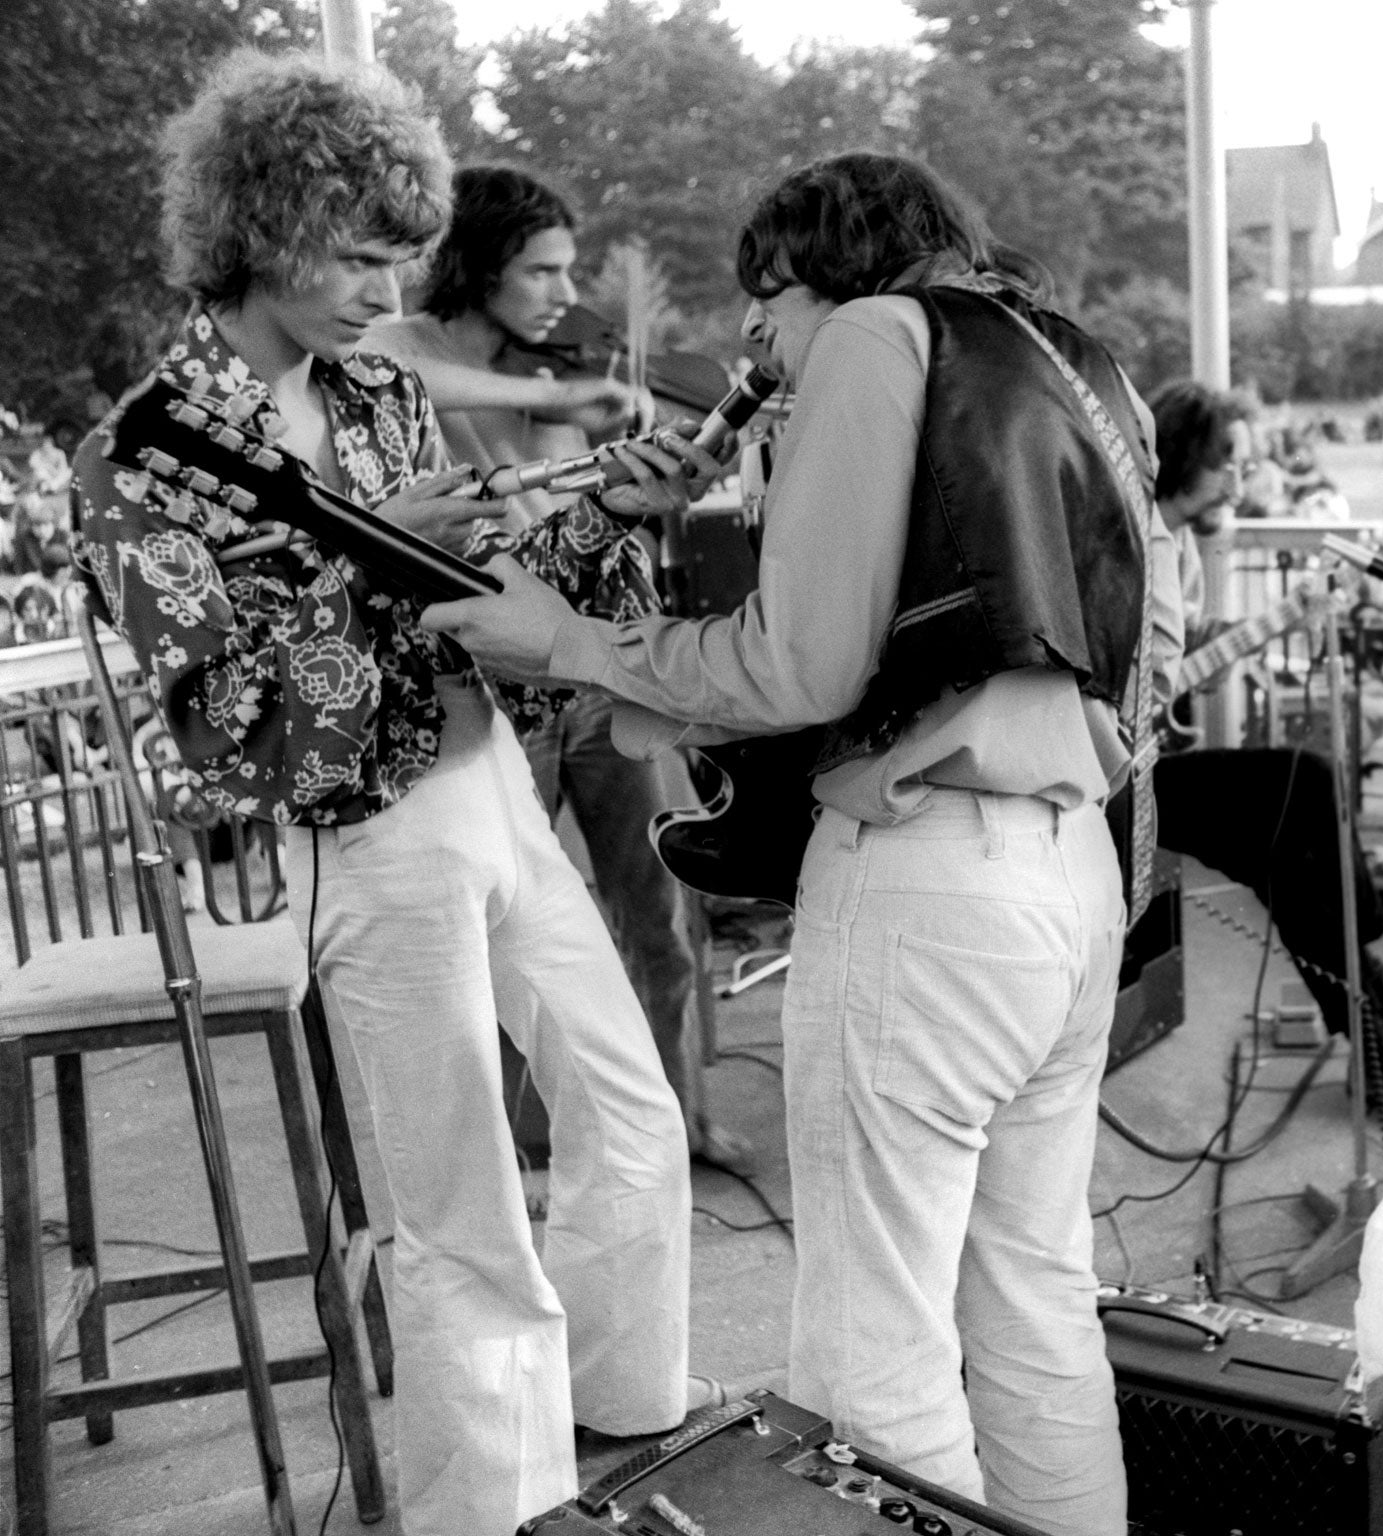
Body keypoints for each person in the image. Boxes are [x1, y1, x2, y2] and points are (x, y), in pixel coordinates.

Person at [425, 152, 1157, 1536]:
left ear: (853, 267)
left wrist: (569, 638)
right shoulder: (1079, 369)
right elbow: (1064, 635)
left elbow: (807, 667)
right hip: (1068, 874)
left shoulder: (883, 336)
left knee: (875, 1356)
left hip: (927, 883)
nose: (752, 336)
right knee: (1035, 1303)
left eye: (769, 293)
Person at [69, 51, 699, 1536]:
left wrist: (601, 513)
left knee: (635, 1118)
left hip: (496, 795)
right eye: (355, 255)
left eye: (397, 259)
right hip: (360, 837)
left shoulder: (377, 393)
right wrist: (365, 556)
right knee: (463, 1215)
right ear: (259, 223)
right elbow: (224, 728)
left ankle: (626, 1438)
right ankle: (497, 1507)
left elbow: (468, 597)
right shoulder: (141, 459)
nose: (378, 289)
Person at [366, 164, 751, 1174]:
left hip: (593, 665)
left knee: (660, 909)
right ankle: (526, 1141)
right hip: (490, 686)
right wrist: (566, 390)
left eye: (568, 273)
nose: (559, 296)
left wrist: (641, 458)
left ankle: (674, 1124)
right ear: (480, 267)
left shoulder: (557, 381)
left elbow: (587, 517)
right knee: (506, 932)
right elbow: (399, 371)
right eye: (539, 272)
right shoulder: (404, 348)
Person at [1141, 381, 1383, 1130]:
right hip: (1109, 774)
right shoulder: (1127, 538)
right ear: (1187, 457)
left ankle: (1377, 1052)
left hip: (1147, 759)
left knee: (1291, 863)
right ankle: (1378, 988)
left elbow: (1194, 660)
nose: (1241, 476)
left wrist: (1269, 624)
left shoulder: (1184, 549)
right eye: (1229, 460)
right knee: (1304, 778)